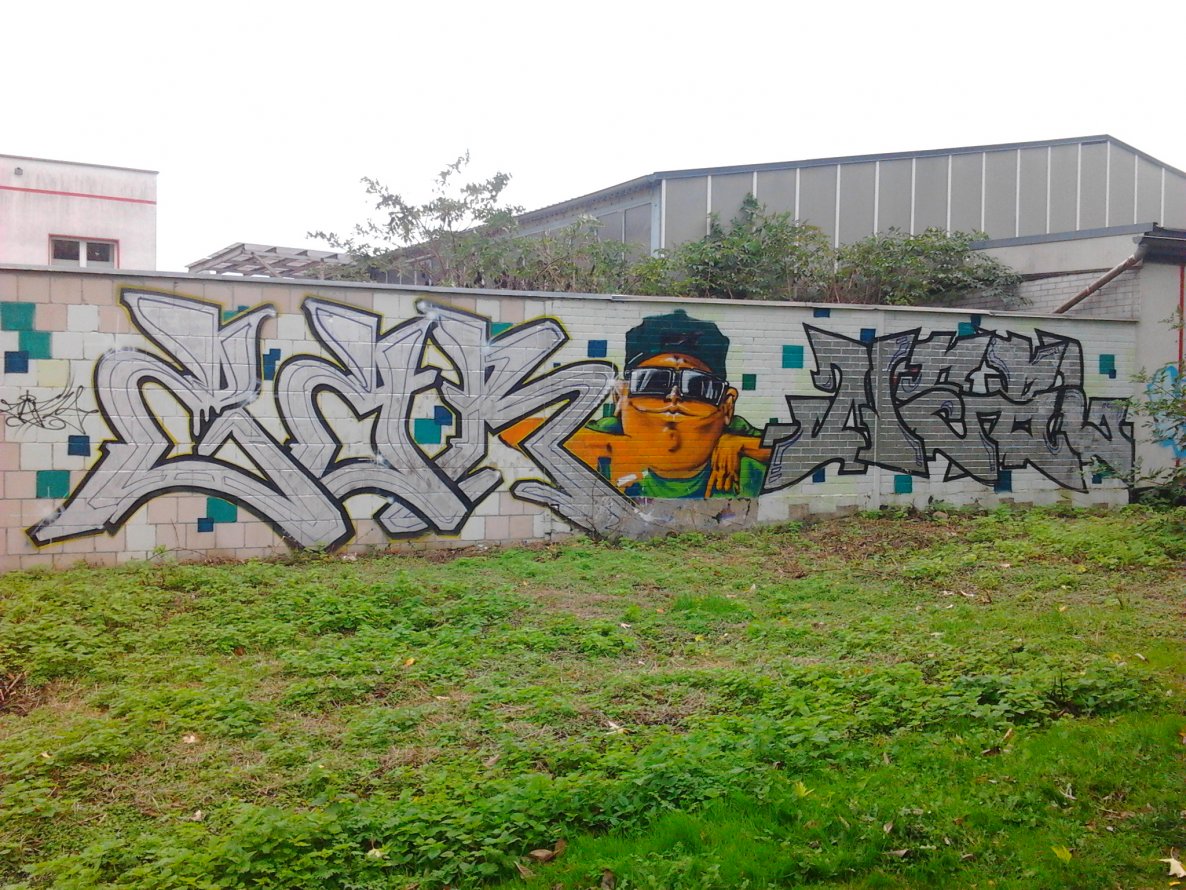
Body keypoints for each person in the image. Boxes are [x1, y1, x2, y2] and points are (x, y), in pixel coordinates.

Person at [503, 309, 769, 498]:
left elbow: (792, 449)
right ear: (620, 396)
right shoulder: (609, 433)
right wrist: (611, 445)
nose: (673, 396)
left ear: (726, 405)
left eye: (698, 386)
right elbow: (508, 426)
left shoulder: (745, 457)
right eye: (653, 382)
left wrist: (740, 443)